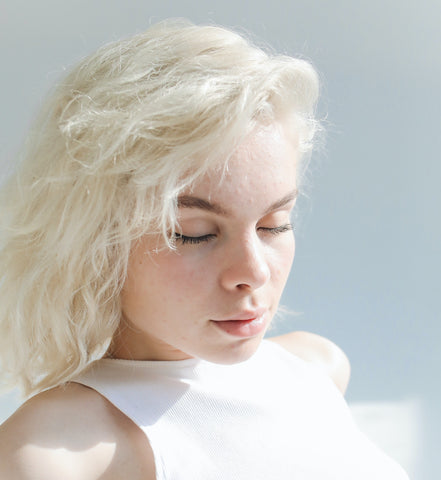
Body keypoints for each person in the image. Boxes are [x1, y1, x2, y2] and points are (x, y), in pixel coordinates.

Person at [0, 19, 408, 479]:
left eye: (274, 225)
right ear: (93, 239)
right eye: (194, 233)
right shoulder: (55, 452)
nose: (252, 271)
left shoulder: (318, 367)